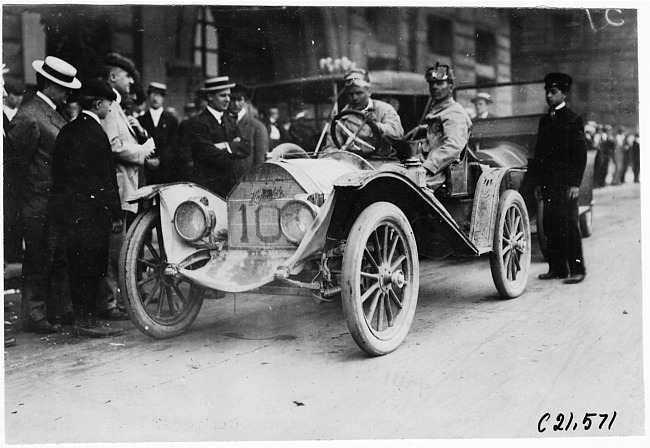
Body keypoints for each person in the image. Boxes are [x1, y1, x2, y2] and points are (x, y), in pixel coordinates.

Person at [7, 56, 81, 333]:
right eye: (63, 87)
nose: (66, 93)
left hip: (53, 201)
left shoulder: (45, 113)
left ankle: (56, 311)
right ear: (49, 85)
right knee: (38, 257)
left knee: (56, 255)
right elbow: (16, 168)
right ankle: (34, 314)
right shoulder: (29, 116)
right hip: (38, 201)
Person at [50, 79, 124, 337]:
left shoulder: (67, 131)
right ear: (99, 103)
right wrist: (115, 214)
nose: (110, 109)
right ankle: (87, 321)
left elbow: (57, 174)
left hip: (70, 213)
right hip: (93, 214)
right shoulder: (97, 134)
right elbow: (106, 179)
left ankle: (80, 317)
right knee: (93, 265)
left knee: (75, 264)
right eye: (109, 104)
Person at [98, 52, 156, 320]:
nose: (131, 81)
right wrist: (142, 151)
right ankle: (110, 302)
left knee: (120, 247)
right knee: (114, 249)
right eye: (126, 76)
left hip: (127, 188)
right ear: (112, 77)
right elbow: (112, 146)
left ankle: (118, 299)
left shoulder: (118, 106)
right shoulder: (109, 107)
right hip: (120, 189)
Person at [527, 72, 587, 284]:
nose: (549, 96)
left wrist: (575, 183)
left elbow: (579, 155)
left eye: (553, 92)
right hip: (549, 184)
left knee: (569, 225)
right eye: (547, 92)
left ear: (564, 94)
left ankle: (577, 270)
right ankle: (557, 268)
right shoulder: (545, 121)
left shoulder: (573, 119)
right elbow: (540, 155)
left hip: (566, 184)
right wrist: (537, 184)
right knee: (551, 225)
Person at [405, 63, 472, 191]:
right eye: (431, 84)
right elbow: (440, 130)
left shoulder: (454, 112)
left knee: (409, 188)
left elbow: (453, 146)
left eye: (440, 83)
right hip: (427, 161)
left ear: (451, 87)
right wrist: (422, 129)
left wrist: (427, 167)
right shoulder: (440, 109)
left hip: (441, 170)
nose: (434, 87)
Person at [185, 76, 251, 197]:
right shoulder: (197, 122)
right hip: (208, 188)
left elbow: (246, 147)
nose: (227, 100)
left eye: (228, 96)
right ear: (210, 97)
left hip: (230, 188)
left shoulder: (230, 121)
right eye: (223, 95)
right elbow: (208, 153)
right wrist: (233, 146)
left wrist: (224, 145)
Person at [324, 68, 404, 156]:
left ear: (369, 92)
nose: (354, 98)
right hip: (350, 162)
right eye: (350, 94)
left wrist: (377, 126)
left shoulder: (384, 109)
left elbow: (397, 134)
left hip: (380, 161)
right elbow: (331, 146)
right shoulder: (340, 118)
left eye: (359, 93)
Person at [3, 75, 25, 264]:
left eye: (20, 95)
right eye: (14, 95)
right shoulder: (4, 115)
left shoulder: (21, 114)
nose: (18, 99)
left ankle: (14, 256)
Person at [138, 82, 179, 184]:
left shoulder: (171, 120)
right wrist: (146, 161)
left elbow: (173, 144)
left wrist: (160, 160)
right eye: (152, 94)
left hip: (166, 170)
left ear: (163, 97)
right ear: (148, 96)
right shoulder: (140, 120)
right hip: (146, 169)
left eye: (159, 95)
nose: (155, 98)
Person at [227, 85, 269, 184]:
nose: (236, 104)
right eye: (232, 100)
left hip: (247, 182)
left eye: (239, 100)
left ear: (244, 101)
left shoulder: (257, 126)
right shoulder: (221, 123)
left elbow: (260, 160)